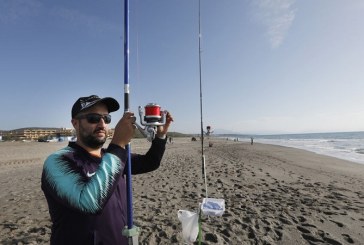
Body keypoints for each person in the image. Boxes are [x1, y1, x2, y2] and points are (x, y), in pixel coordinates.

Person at [41, 95, 173, 245]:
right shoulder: (58, 161)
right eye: (93, 118)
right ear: (75, 123)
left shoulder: (111, 157)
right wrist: (118, 144)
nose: (102, 123)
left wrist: (161, 136)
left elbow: (151, 162)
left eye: (106, 118)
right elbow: (89, 203)